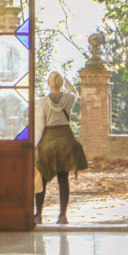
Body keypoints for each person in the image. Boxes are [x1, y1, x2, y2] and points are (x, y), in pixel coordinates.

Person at [34, 71, 88, 225]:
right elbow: (74, 92)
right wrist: (66, 79)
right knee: (63, 179)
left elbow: (39, 127)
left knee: (41, 179)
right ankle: (63, 215)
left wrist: (34, 146)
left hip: (48, 143)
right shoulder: (69, 99)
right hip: (66, 142)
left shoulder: (42, 103)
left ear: (48, 84)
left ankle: (38, 214)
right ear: (61, 84)